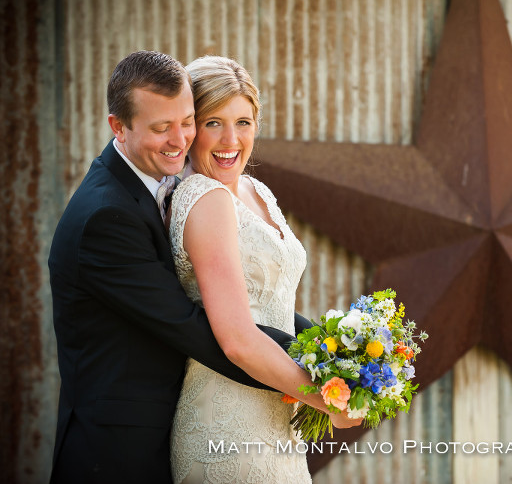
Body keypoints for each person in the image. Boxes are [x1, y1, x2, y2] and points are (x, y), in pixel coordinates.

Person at [48, 51, 321, 484]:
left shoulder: (165, 185)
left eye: (188, 121)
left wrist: (337, 348)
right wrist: (324, 386)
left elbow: (249, 301)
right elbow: (204, 327)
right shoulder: (106, 215)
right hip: (119, 453)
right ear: (118, 127)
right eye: (162, 128)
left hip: (212, 422)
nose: (180, 140)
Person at [168, 56, 360, 484]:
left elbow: (272, 308)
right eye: (212, 122)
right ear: (189, 127)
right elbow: (236, 339)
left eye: (243, 122)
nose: (230, 139)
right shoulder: (204, 198)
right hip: (227, 420)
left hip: (277, 420)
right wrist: (328, 400)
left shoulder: (258, 192)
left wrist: (343, 364)